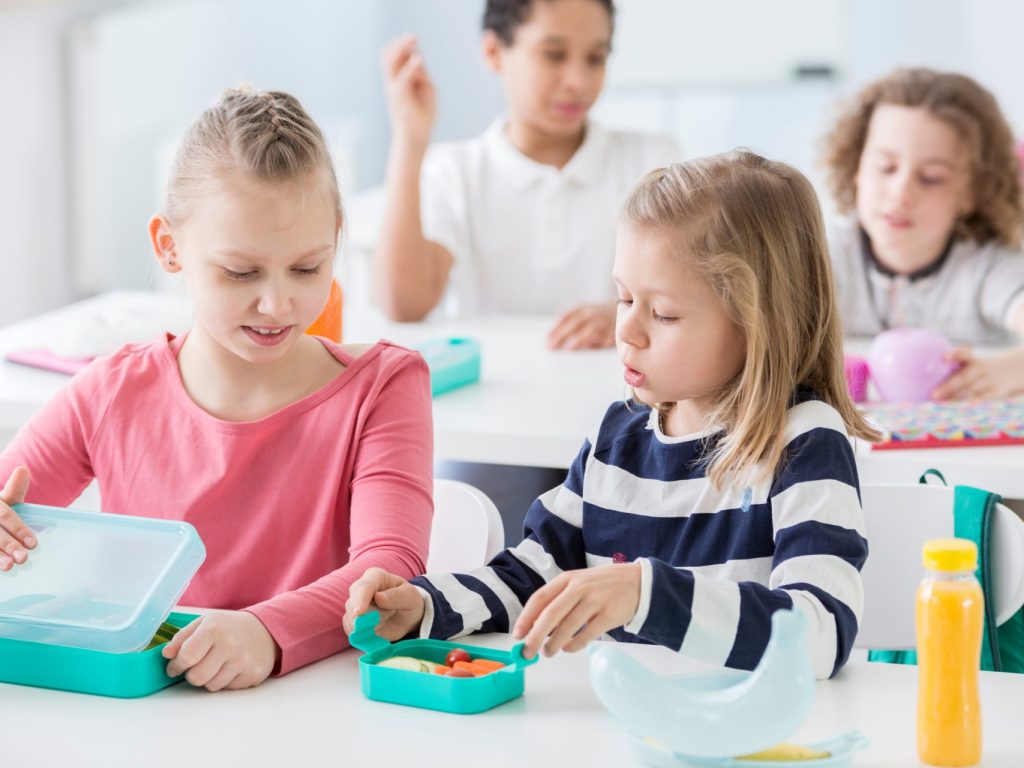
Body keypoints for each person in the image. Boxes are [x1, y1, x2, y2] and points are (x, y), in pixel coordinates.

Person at [345, 150, 878, 680]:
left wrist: (647, 595)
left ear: (759, 322)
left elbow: (820, 634)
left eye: (663, 313)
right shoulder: (614, 438)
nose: (628, 331)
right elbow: (531, 578)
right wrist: (424, 605)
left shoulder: (804, 443)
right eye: (623, 299)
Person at [0, 87, 434, 691]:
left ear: (336, 238)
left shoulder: (385, 386)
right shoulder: (109, 393)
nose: (277, 303)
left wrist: (264, 632)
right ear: (169, 248)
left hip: (316, 711)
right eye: (241, 272)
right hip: (141, 713)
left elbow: (388, 574)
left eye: (307, 268)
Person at [374, 0, 679, 350]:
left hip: (618, 393)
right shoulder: (454, 172)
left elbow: (688, 297)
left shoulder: (652, 161)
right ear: (494, 52)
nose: (578, 81)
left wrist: (628, 316)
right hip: (492, 393)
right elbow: (404, 305)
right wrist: (410, 140)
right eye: (554, 54)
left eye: (595, 58)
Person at [822, 67, 1024, 399]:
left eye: (931, 177)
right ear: (855, 167)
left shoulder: (988, 270)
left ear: (972, 192)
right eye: (886, 167)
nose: (901, 193)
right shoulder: (823, 256)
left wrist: (1009, 372)